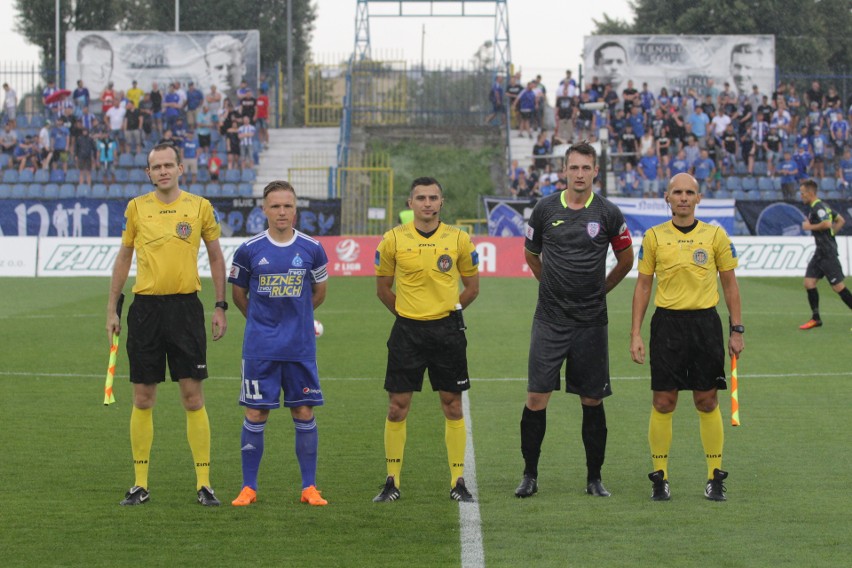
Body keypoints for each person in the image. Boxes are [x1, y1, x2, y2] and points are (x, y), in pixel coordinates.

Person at [106, 142, 228, 507]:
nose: (162, 171)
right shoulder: (136, 208)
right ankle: (140, 483)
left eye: (168, 165)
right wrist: (112, 308)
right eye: (155, 166)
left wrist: (220, 306)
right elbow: (124, 258)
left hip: (186, 309)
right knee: (143, 398)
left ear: (179, 169)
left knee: (192, 397)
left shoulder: (199, 207)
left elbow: (217, 257)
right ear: (148, 173)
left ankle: (204, 483)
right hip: (145, 310)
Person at [515, 142, 634, 499]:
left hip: (591, 322)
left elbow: (626, 260)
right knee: (537, 398)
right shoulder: (544, 208)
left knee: (592, 401)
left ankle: (594, 478)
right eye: (574, 168)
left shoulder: (609, 213)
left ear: (595, 171)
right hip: (550, 320)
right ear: (564, 170)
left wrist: (601, 289)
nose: (579, 174)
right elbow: (531, 253)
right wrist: (548, 284)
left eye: (586, 168)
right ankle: (530, 475)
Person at [630, 172, 743, 502]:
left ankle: (714, 476)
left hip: (705, 325)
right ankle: (660, 476)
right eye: (677, 192)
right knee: (664, 401)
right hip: (667, 325)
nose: (682, 197)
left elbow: (730, 284)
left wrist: (737, 329)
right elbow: (643, 286)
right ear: (667, 197)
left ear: (698, 198)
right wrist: (635, 333)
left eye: (688, 192)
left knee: (706, 400)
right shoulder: (653, 237)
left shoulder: (715, 235)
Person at [372, 176, 480, 503]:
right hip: (407, 332)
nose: (427, 203)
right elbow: (383, 289)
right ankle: (392, 480)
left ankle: (458, 480)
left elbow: (472, 288)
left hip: (447, 332)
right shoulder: (392, 240)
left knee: (452, 405)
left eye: (433, 197)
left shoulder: (459, 239)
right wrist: (408, 313)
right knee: (396, 408)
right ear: (410, 203)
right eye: (421, 198)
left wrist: (448, 311)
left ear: (441, 202)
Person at [228, 181, 330, 508]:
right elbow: (239, 295)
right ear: (264, 210)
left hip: (299, 348)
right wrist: (261, 322)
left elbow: (320, 293)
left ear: (295, 209)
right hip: (260, 348)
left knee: (303, 410)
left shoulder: (312, 248)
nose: (282, 212)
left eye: (287, 206)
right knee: (256, 413)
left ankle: (309, 487)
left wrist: (297, 319)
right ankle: (248, 487)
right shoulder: (249, 250)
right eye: (275, 206)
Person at [797, 179, 852, 329]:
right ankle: (816, 318)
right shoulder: (823, 206)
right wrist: (831, 234)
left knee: (838, 287)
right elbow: (840, 220)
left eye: (802, 193)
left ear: (810, 193)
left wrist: (810, 226)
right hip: (820, 252)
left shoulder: (818, 207)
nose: (800, 196)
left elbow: (827, 223)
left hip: (827, 253)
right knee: (809, 282)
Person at [76, 34, 113, 105]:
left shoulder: (115, 99)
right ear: (80, 66)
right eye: (93, 65)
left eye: (107, 65)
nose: (100, 73)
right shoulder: (72, 101)